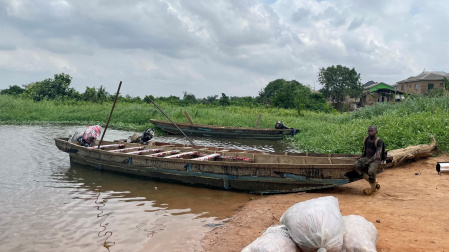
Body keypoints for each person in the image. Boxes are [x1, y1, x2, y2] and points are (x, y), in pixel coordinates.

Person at [353, 125, 383, 195]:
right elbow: (365, 151)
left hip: (375, 160)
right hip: (367, 157)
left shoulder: (378, 141)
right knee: (356, 165)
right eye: (369, 131)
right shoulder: (366, 139)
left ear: (376, 132)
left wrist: (367, 163)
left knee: (371, 171)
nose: (370, 132)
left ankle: (373, 185)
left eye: (372, 131)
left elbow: (377, 155)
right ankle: (371, 180)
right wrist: (361, 158)